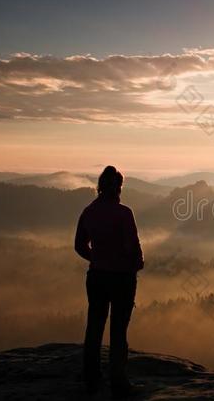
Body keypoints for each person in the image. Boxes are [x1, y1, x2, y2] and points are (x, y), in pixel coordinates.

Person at [75, 165, 144, 397]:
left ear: (100, 187)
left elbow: (79, 245)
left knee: (94, 326)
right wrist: (136, 264)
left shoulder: (88, 212)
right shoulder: (124, 213)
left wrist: (95, 258)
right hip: (121, 278)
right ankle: (118, 380)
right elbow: (133, 248)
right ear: (118, 187)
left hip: (96, 277)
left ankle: (92, 377)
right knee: (118, 330)